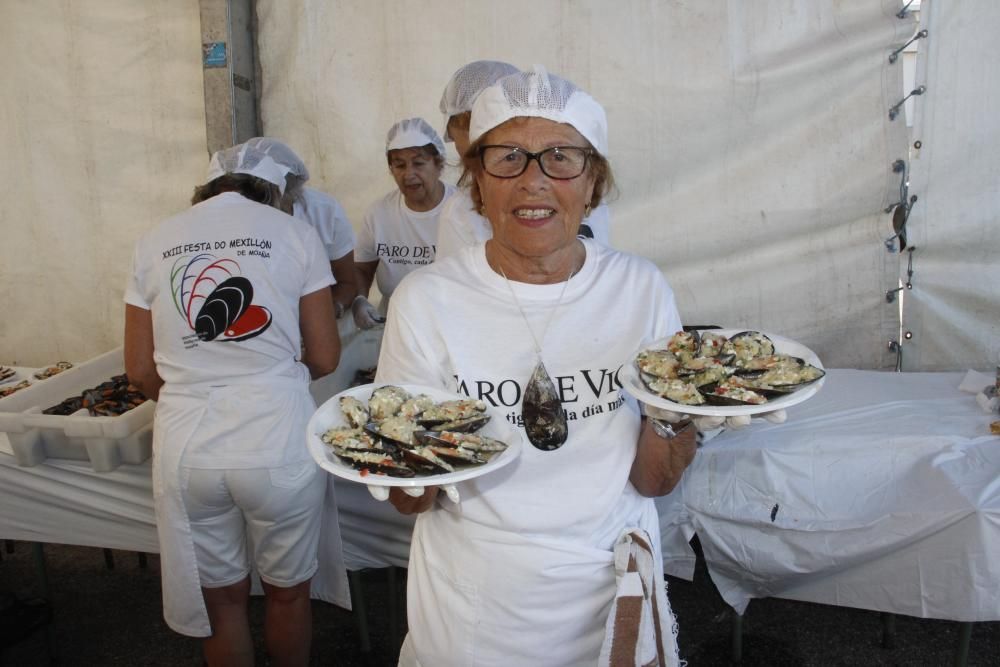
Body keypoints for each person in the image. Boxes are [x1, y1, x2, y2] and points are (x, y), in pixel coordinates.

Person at [374, 66, 691, 666]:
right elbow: (407, 501)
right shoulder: (426, 299)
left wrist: (683, 416)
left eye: (561, 159)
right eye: (508, 159)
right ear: (476, 183)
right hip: (475, 596)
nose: (533, 182)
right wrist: (395, 458)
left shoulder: (640, 289)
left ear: (592, 182)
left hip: (607, 578)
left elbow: (654, 481)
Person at [123, 143, 340, 667]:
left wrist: (200, 388)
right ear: (276, 192)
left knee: (221, 602)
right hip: (277, 442)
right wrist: (267, 381)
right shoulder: (295, 234)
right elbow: (326, 355)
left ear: (208, 189)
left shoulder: (155, 240)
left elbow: (140, 370)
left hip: (187, 448)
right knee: (288, 593)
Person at [435, 62, 614, 261]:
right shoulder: (578, 188)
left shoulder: (459, 212)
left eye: (558, 156)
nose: (533, 182)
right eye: (510, 156)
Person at [352, 118, 455, 329]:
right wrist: (359, 299)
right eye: (399, 165)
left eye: (418, 163)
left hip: (453, 325)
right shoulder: (379, 213)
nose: (409, 174)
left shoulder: (463, 211)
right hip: (397, 325)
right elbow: (362, 268)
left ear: (439, 164)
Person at [243, 137, 359, 319]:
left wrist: (330, 312)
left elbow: (347, 283)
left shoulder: (325, 211)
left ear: (292, 191)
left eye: (273, 195)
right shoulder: (240, 219)